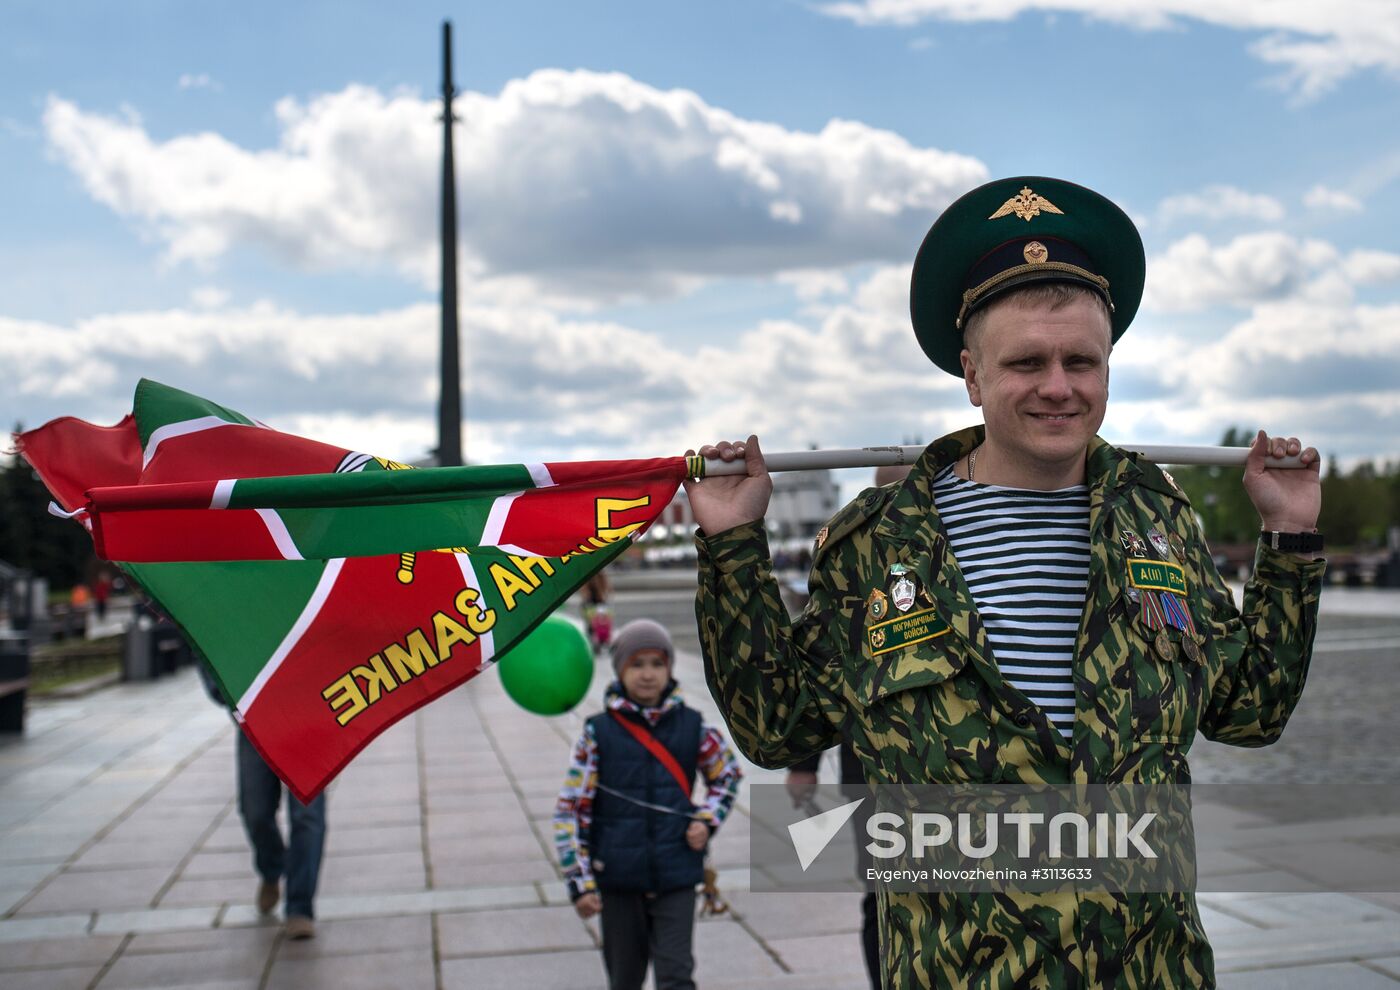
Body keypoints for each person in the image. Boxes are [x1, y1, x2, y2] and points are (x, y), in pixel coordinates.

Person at [685, 176, 1325, 989]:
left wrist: (1290, 538)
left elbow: (1250, 708)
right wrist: (732, 545)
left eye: (1081, 361)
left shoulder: (1158, 520)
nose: (1059, 386)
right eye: (1026, 362)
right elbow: (777, 727)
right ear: (972, 374)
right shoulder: (877, 544)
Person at [554, 618, 743, 990]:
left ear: (669, 668)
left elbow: (727, 775)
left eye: (657, 663)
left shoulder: (693, 727)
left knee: (676, 975)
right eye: (636, 664)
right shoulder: (598, 734)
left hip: (676, 873)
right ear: (620, 669)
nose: (647, 674)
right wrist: (580, 881)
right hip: (618, 878)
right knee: (625, 978)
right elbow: (571, 810)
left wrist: (707, 819)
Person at [785, 463, 911, 990]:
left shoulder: (959, 554)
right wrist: (803, 765)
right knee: (883, 893)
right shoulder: (852, 568)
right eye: (891, 490)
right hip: (872, 774)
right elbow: (820, 672)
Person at [197, 661, 326, 940]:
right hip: (256, 716)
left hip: (309, 715)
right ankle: (272, 867)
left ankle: (300, 907)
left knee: (307, 815)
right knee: (254, 811)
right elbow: (207, 652)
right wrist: (227, 693)